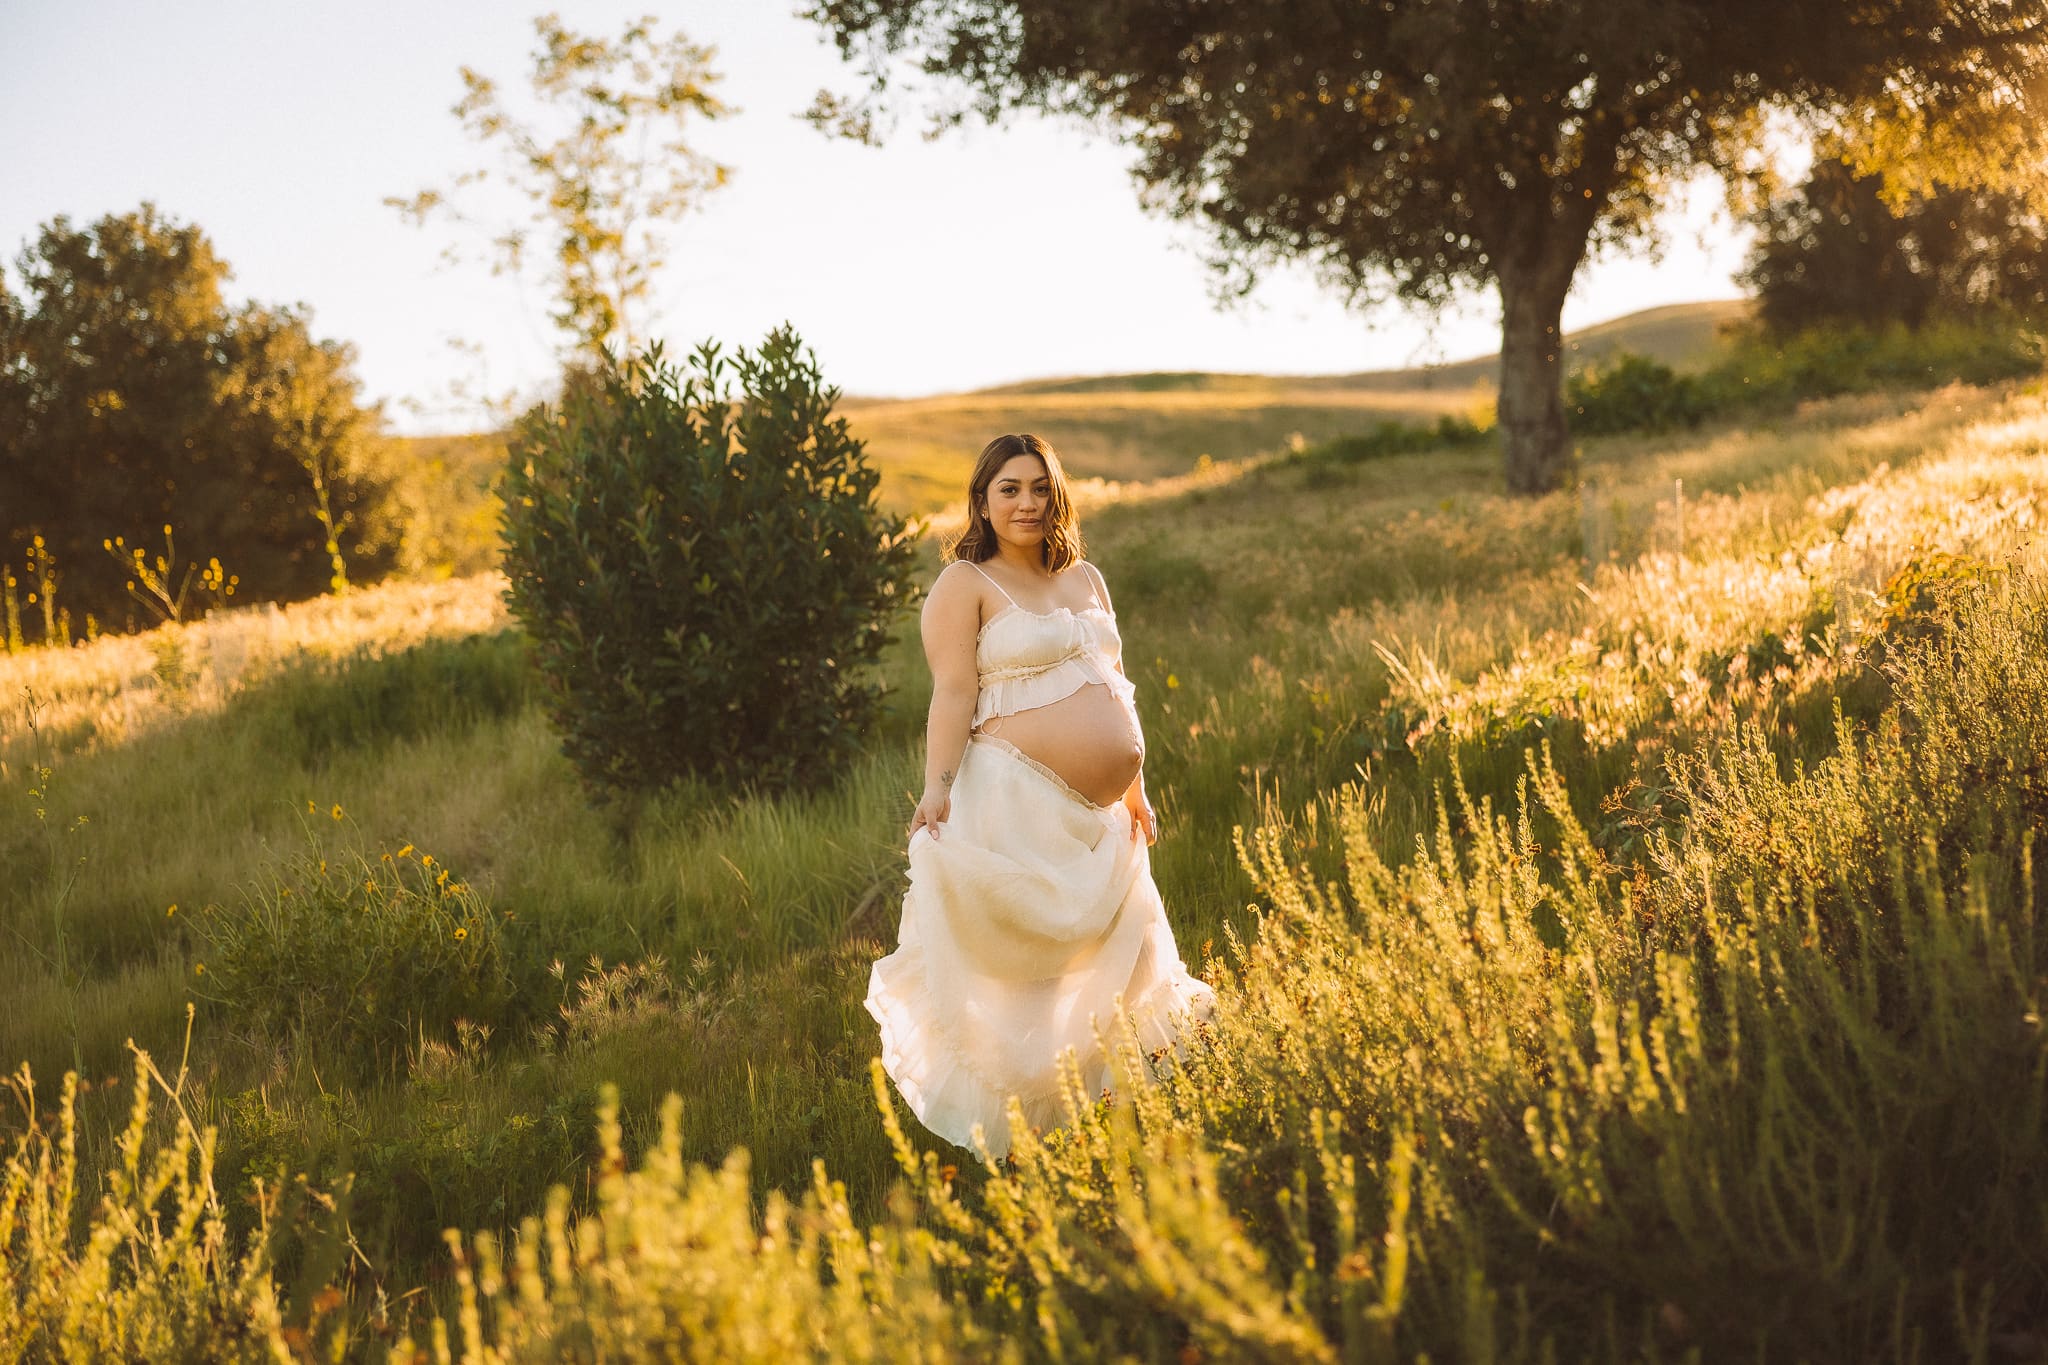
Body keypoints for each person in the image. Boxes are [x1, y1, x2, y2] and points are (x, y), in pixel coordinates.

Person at [865, 432, 1214, 1157]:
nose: (1026, 502)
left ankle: (1127, 1118)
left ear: (1056, 495)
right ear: (983, 502)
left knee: (1128, 964)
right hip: (1014, 800)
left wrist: (1134, 786)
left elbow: (1116, 684)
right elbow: (954, 693)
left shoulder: (1086, 578)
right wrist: (937, 788)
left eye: (1038, 487)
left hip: (1101, 821)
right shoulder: (966, 584)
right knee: (1034, 968)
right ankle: (1034, 1127)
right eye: (1009, 489)